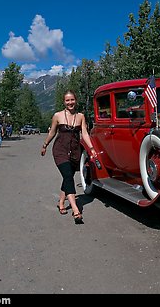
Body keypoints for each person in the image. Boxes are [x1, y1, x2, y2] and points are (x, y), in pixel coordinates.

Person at [40, 90, 96, 224]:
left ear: (75, 100)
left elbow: (85, 134)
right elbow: (52, 132)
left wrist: (92, 148)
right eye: (67, 100)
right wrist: (45, 145)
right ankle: (76, 210)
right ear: (64, 102)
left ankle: (61, 202)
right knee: (68, 177)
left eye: (72, 100)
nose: (70, 103)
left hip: (75, 152)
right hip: (60, 150)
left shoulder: (81, 116)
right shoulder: (57, 116)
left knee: (68, 177)